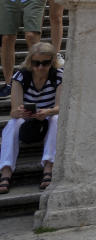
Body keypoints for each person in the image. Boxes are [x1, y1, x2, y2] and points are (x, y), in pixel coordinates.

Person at [0, 42, 62, 193]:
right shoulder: (21, 76)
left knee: (56, 120)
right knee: (12, 125)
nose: (40, 67)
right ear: (30, 62)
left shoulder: (59, 75)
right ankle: (6, 171)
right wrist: (22, 112)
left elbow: (60, 107)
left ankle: (49, 166)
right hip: (27, 119)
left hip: (49, 115)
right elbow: (14, 111)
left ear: (52, 62)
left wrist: (47, 112)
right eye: (36, 63)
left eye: (45, 63)